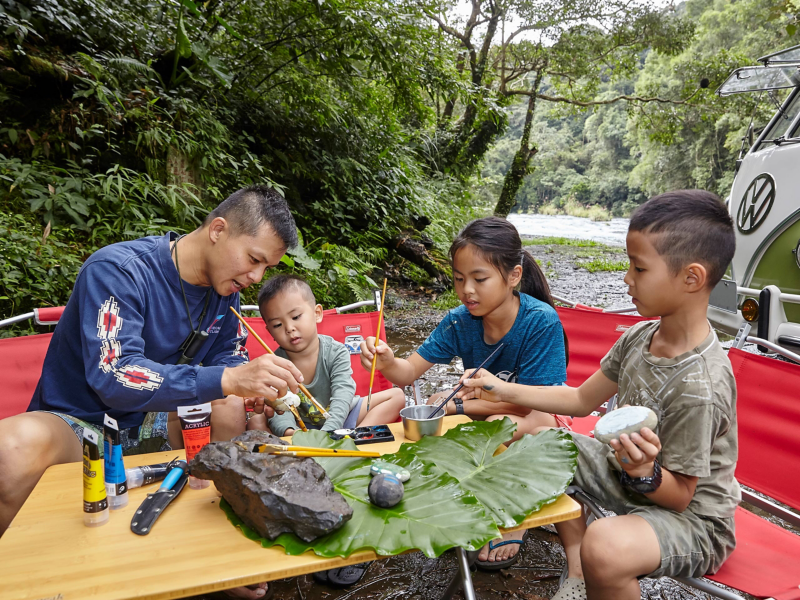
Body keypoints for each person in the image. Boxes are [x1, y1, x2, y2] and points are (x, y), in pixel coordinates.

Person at [0, 185, 306, 600]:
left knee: (231, 409)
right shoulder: (118, 271)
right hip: (81, 428)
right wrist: (228, 380)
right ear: (218, 229)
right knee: (10, 450)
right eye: (254, 260)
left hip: (155, 426)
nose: (255, 278)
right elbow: (115, 375)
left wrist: (251, 388)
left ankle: (219, 559)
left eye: (265, 268)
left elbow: (230, 366)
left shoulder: (225, 298)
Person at [457, 191, 739, 600]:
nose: (627, 278)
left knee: (604, 545)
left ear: (691, 278)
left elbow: (680, 496)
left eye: (639, 267)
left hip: (692, 518)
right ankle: (572, 565)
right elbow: (578, 402)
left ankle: (590, 567)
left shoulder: (701, 385)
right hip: (627, 474)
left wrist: (644, 472)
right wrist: (499, 387)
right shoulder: (641, 336)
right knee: (539, 441)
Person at [360, 216, 569, 570]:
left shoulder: (539, 321)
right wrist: (386, 361)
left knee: (501, 421)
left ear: (513, 276)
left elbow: (536, 401)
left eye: (479, 279)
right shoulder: (460, 320)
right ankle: (464, 503)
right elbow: (408, 371)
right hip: (490, 411)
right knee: (432, 411)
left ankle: (511, 515)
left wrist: (467, 402)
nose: (467, 290)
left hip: (541, 414)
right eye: (459, 279)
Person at [248, 274, 405, 436]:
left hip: (345, 417)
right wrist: (291, 433)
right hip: (302, 429)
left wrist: (329, 433)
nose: (289, 328)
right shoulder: (275, 365)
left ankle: (355, 437)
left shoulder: (336, 351)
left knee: (396, 396)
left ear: (317, 313)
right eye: (277, 325)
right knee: (256, 420)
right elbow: (281, 408)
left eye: (296, 317)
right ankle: (304, 445)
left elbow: (343, 394)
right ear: (269, 332)